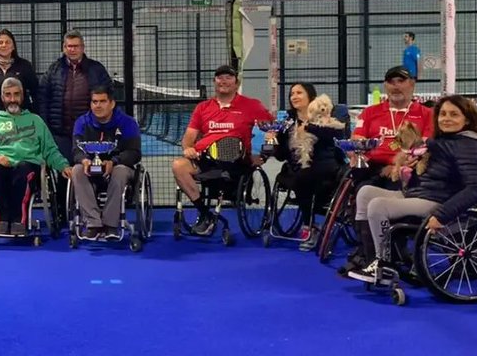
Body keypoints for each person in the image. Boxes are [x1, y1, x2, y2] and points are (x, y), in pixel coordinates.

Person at [348, 95, 477, 284]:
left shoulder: (469, 146)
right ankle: (371, 258)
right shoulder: (439, 140)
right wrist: (411, 167)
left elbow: (476, 188)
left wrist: (442, 215)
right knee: (365, 193)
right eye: (443, 114)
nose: (446, 118)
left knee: (378, 205)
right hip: (417, 194)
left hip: (438, 202)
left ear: (468, 119)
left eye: (454, 114)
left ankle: (385, 266)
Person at [341, 66, 435, 275]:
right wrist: (355, 151)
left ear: (412, 84)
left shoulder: (426, 114)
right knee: (361, 191)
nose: (396, 86)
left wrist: (399, 165)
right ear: (385, 86)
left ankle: (393, 252)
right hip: (372, 167)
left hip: (405, 170)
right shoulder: (370, 112)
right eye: (391, 82)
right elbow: (357, 138)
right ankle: (370, 254)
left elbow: (427, 146)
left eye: (401, 81)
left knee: (390, 194)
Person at [171, 65, 271, 236]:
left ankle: (210, 210)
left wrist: (263, 154)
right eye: (220, 77)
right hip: (206, 159)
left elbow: (271, 129)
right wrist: (188, 149)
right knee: (178, 166)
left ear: (236, 83)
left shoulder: (252, 105)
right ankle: (205, 214)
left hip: (236, 161)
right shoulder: (203, 108)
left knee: (230, 149)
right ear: (214, 82)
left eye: (228, 77)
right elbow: (188, 138)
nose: (224, 81)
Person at [0, 78, 72, 235]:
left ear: (22, 96)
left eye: (16, 94)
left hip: (28, 167)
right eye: (8, 95)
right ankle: (1, 219)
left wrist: (63, 166)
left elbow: (50, 150)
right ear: (2, 98)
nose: (12, 99)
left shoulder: (36, 121)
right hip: (1, 167)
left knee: (23, 168)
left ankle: (19, 220)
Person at [271, 83, 347, 250]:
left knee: (305, 178)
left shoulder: (327, 114)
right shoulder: (287, 121)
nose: (294, 96)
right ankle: (310, 225)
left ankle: (309, 225)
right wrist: (273, 140)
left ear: (310, 96)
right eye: (292, 94)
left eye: (299, 93)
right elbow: (281, 155)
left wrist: (309, 127)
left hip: (325, 165)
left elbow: (336, 136)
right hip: (297, 168)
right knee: (300, 177)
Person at [69, 84, 141, 239]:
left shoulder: (127, 123)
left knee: (120, 172)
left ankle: (110, 224)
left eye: (102, 101)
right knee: (77, 170)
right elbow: (76, 150)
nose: (98, 106)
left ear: (112, 103)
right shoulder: (82, 122)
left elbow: (134, 153)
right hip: (91, 168)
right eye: (94, 102)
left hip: (119, 167)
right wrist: (84, 160)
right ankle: (93, 223)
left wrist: (114, 161)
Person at [39, 29, 113, 162]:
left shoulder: (97, 69)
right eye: (69, 46)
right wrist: (46, 126)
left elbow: (109, 96)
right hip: (61, 133)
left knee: (91, 168)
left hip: (90, 132)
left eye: (76, 46)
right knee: (65, 170)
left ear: (82, 48)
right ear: (64, 48)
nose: (72, 49)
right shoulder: (53, 70)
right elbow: (43, 99)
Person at [0, 29, 38, 120]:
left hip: (21, 120)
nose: (4, 45)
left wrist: (36, 116)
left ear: (13, 47)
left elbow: (36, 93)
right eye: (0, 42)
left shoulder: (25, 66)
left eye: (7, 42)